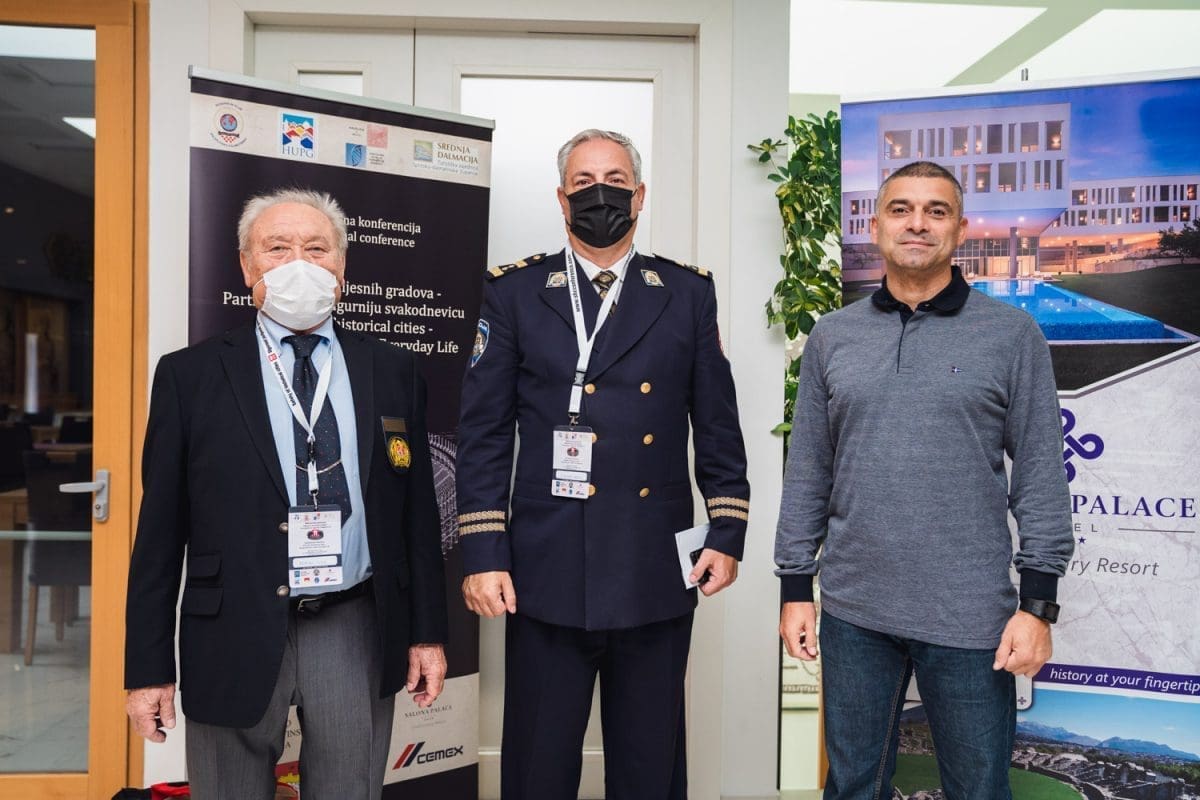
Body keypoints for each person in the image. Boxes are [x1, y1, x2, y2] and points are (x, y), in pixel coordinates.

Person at [124, 188, 448, 800]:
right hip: (232, 626)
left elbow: (417, 518)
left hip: (353, 623)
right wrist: (147, 670)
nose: (299, 262)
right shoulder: (189, 376)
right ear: (246, 267)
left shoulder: (393, 370)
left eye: (317, 248)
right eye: (277, 248)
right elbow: (159, 535)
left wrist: (427, 635)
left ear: (342, 268)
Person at [455, 129, 750, 800]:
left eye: (615, 181)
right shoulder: (515, 292)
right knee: (538, 765)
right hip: (546, 566)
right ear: (562, 200)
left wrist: (727, 531)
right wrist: (484, 552)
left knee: (649, 767)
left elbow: (717, 426)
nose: (600, 195)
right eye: (583, 183)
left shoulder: (686, 293)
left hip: (654, 565)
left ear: (639, 196)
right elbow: (484, 434)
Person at [775, 161, 1074, 800]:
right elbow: (808, 471)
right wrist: (795, 587)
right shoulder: (832, 336)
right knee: (853, 787)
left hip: (971, 617)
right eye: (901, 209)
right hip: (854, 612)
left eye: (936, 211)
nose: (917, 223)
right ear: (875, 226)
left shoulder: (1012, 335)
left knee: (979, 789)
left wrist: (1038, 606)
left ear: (960, 229)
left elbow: (1042, 475)